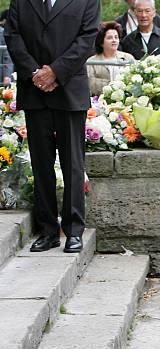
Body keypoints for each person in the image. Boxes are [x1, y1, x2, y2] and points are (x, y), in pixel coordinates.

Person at [4, 0, 100, 252]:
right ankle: (47, 230)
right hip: (34, 89)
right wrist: (35, 72)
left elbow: (87, 38)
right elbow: (12, 36)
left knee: (73, 164)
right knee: (40, 164)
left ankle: (74, 230)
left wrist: (55, 72)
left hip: (69, 88)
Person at [87, 22, 135, 96]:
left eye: (116, 37)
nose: (114, 40)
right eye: (109, 38)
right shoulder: (92, 62)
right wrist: (113, 85)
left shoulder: (128, 58)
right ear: (101, 42)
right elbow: (91, 85)